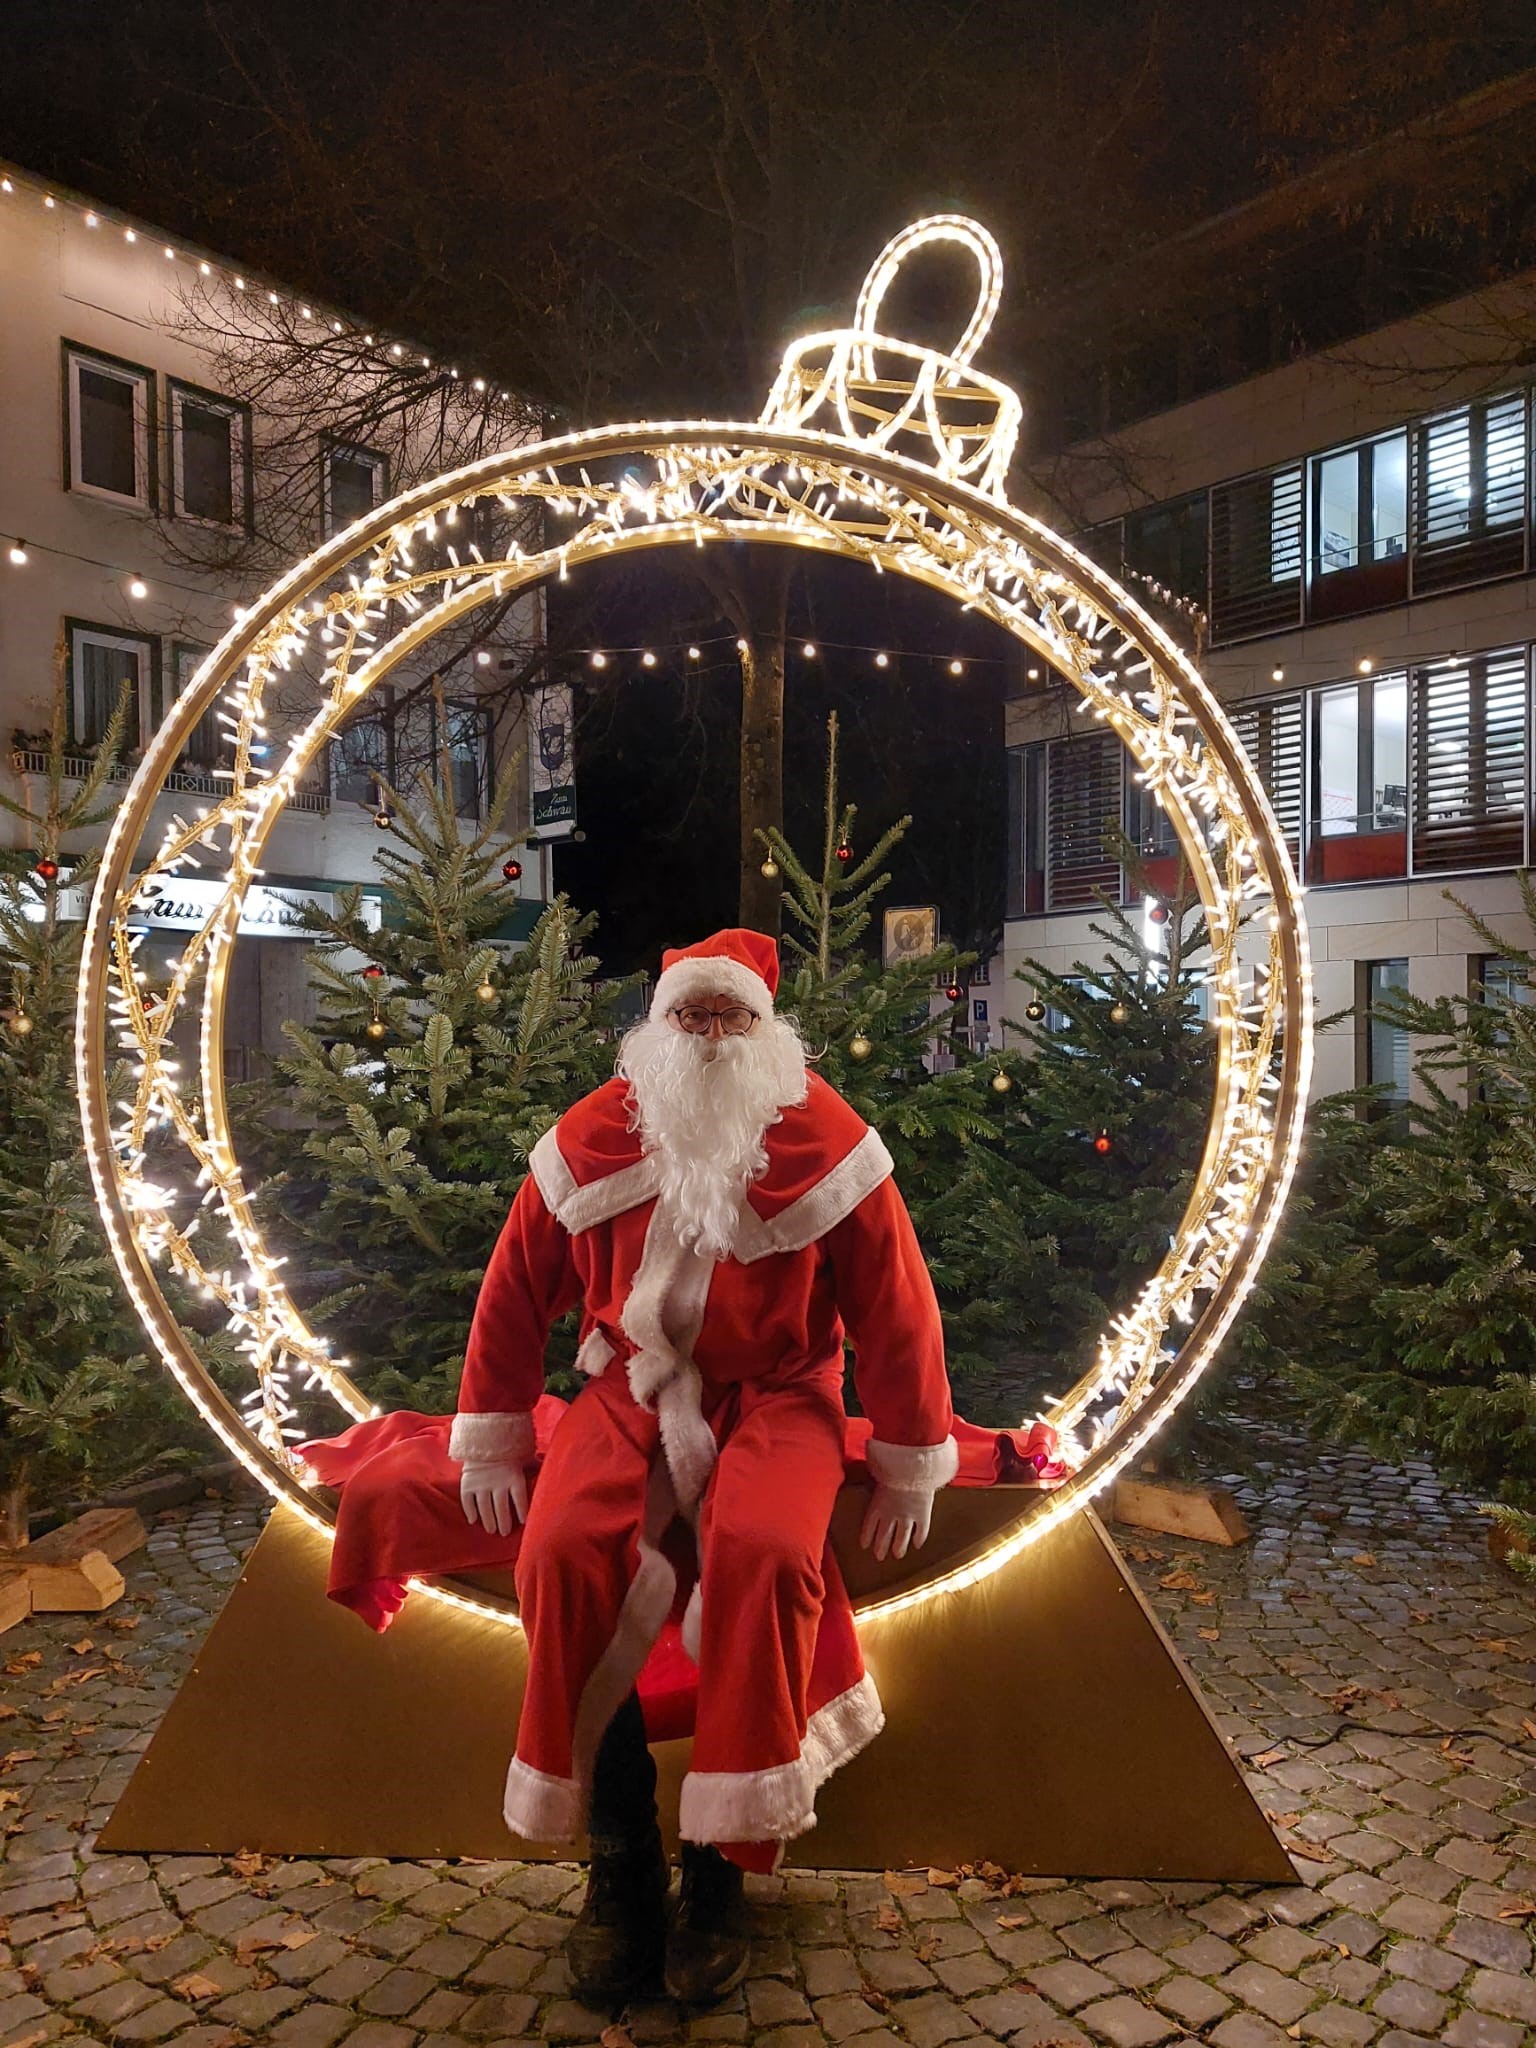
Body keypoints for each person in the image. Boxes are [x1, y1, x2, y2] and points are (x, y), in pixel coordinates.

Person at [449, 928, 957, 2004]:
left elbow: (898, 1305)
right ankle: (620, 1854)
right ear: (658, 1028)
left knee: (767, 1552)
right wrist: (492, 1418)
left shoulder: (832, 1142)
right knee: (561, 1550)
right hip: (625, 1385)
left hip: (782, 1392)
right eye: (694, 1016)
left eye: (732, 1017)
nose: (713, 1036)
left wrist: (911, 1455)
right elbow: (512, 1284)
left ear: (767, 1031)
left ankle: (722, 1865)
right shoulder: (593, 1135)